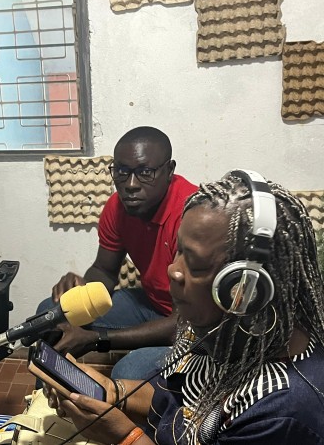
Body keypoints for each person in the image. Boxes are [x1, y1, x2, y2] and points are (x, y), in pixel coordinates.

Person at [47, 170, 324, 444]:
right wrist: (112, 391)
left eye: (195, 263)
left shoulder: (282, 412)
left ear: (249, 288)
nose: (172, 270)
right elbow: (173, 397)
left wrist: (124, 437)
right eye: (178, 250)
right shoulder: (217, 329)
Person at [37, 126, 197, 380]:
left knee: (128, 372)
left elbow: (182, 324)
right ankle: (45, 398)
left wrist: (97, 339)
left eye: (145, 172)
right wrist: (82, 289)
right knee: (51, 315)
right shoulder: (117, 207)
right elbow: (105, 270)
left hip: (194, 326)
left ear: (169, 170)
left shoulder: (192, 216)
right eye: (122, 172)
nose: (131, 185)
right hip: (152, 304)